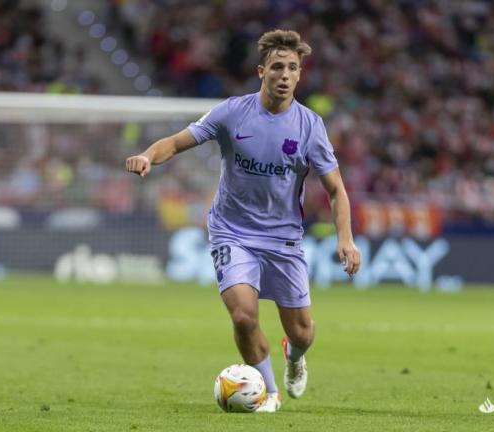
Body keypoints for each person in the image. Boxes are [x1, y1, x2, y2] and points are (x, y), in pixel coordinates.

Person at [125, 29, 361, 413]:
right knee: (242, 315)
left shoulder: (310, 126)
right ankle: (269, 393)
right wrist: (149, 155)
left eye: (292, 68)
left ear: (300, 75)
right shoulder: (233, 112)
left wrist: (346, 239)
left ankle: (294, 356)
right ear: (261, 71)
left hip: (283, 238)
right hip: (232, 232)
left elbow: (336, 189)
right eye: (277, 67)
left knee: (302, 331)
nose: (284, 75)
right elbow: (177, 141)